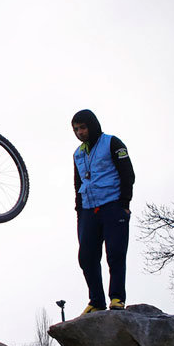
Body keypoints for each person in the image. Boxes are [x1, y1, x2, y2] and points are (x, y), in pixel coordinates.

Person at [71, 109, 135, 315]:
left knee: (115, 253)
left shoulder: (112, 143)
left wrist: (125, 203)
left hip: (113, 205)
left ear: (92, 125)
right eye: (76, 129)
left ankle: (117, 298)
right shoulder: (78, 153)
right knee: (86, 257)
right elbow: (78, 183)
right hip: (88, 210)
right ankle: (96, 301)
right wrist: (79, 210)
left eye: (83, 127)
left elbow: (127, 172)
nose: (80, 132)